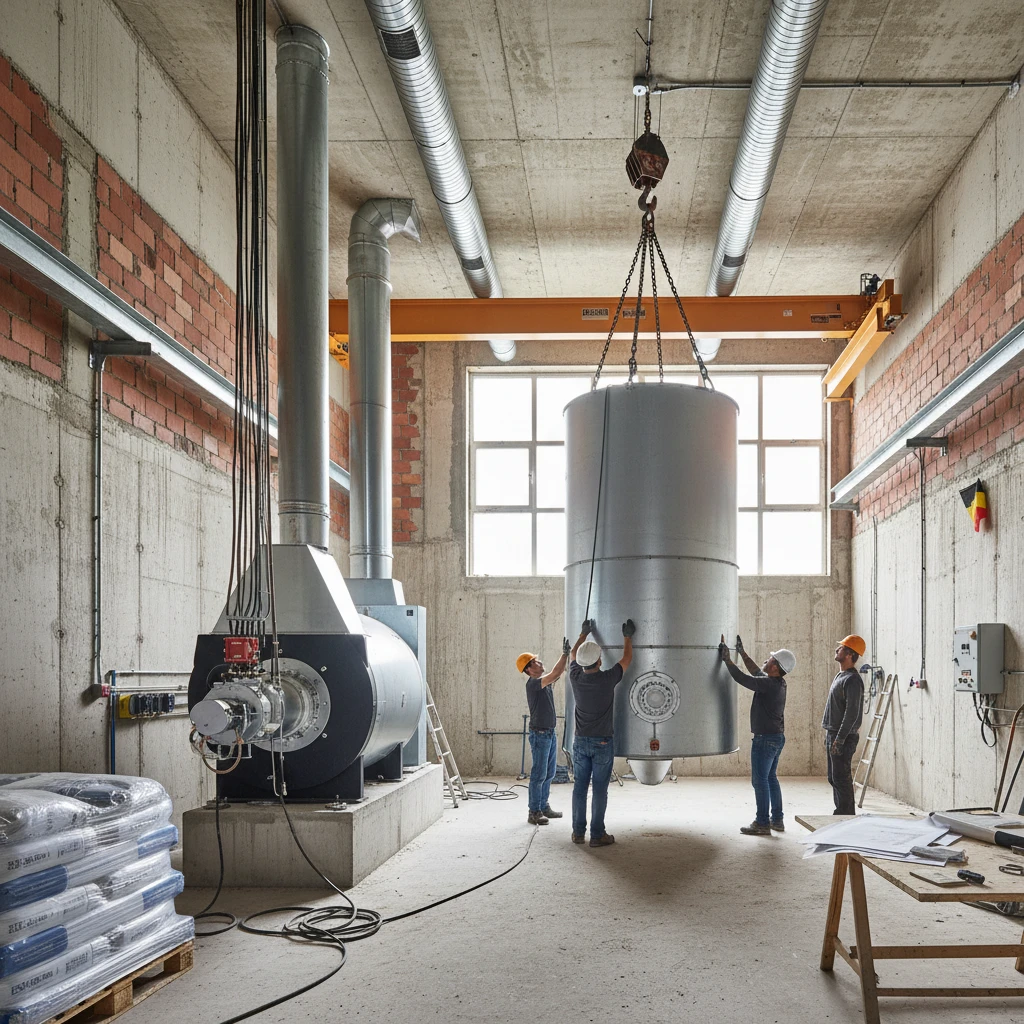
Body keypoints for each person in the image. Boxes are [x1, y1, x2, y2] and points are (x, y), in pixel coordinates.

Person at [718, 633, 795, 836]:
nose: (766, 660)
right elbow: (755, 672)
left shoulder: (769, 685)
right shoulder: (777, 683)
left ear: (775, 667)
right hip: (776, 737)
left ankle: (762, 823)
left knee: (759, 781)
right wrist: (742, 653)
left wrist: (727, 660)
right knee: (770, 778)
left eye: (770, 659)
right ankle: (777, 820)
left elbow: (743, 678)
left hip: (765, 740)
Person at [568, 617, 634, 848]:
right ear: (599, 661)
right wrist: (627, 637)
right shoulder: (607, 679)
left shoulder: (575, 677)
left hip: (580, 742)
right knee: (599, 790)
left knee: (579, 788)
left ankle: (578, 833)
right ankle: (597, 835)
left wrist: (583, 634)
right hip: (603, 743)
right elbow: (626, 659)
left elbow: (573, 654)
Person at [516, 640, 571, 825]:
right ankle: (534, 812)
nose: (539, 663)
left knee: (549, 773)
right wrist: (565, 654)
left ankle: (543, 806)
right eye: (535, 662)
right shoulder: (534, 683)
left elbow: (555, 674)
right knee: (539, 774)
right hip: (540, 734)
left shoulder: (543, 683)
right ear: (529, 669)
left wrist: (566, 657)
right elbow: (556, 673)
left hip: (549, 733)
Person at [823, 635, 866, 815]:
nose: (837, 650)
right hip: (833, 734)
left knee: (841, 778)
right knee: (834, 778)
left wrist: (839, 739)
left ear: (849, 654)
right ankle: (841, 813)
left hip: (843, 737)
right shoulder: (841, 676)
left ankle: (846, 816)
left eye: (841, 648)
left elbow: (851, 713)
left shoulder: (852, 680)